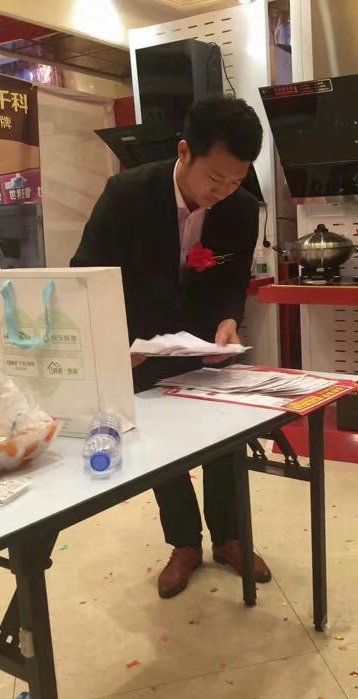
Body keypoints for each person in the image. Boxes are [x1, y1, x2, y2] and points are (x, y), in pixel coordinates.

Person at [71, 96, 272, 598]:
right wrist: (114, 340)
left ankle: (230, 537)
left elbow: (234, 278)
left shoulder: (241, 208)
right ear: (184, 152)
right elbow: (85, 271)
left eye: (236, 180)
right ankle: (183, 543)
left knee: (224, 440)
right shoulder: (127, 194)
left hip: (204, 343)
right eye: (215, 178)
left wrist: (229, 320)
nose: (223, 191)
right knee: (164, 449)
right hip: (138, 341)